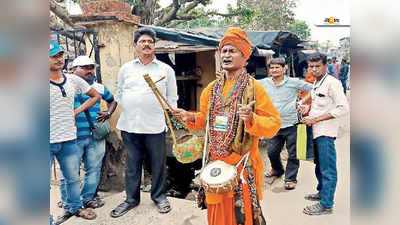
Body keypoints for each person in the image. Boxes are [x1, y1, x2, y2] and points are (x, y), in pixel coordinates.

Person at [173, 27, 281, 225]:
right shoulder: (211, 90)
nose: (226, 55)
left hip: (242, 164)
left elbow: (274, 124)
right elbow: (205, 120)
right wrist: (187, 116)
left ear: (244, 57)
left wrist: (251, 119)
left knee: (243, 215)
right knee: (217, 215)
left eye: (232, 51)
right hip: (215, 162)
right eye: (224, 51)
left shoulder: (254, 89)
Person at [110, 27, 178, 217]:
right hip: (130, 125)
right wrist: (132, 104)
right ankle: (131, 199)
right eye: (143, 41)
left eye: (150, 41)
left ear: (154, 46)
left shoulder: (166, 70)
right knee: (132, 165)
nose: (147, 44)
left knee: (157, 164)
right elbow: (120, 92)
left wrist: (171, 112)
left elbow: (172, 97)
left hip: (155, 125)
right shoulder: (126, 68)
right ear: (136, 46)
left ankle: (159, 196)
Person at [49, 41, 100, 224]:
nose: (59, 59)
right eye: (54, 56)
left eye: (60, 55)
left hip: (70, 138)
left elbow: (95, 96)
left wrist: (76, 112)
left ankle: (74, 206)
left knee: (72, 178)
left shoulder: (72, 79)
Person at [58, 55, 117, 210]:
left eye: (91, 67)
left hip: (95, 137)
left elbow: (112, 100)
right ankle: (68, 201)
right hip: (71, 137)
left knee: (93, 170)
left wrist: (108, 113)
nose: (89, 70)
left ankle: (87, 198)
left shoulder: (100, 88)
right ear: (73, 69)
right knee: (69, 172)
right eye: (84, 67)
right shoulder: (64, 86)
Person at [299, 52, 349, 215]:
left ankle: (326, 204)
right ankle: (322, 193)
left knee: (328, 169)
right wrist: (307, 107)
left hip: (325, 132)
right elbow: (318, 100)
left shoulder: (332, 83)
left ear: (325, 66)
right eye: (311, 66)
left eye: (317, 66)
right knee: (319, 166)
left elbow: (343, 108)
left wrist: (316, 119)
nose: (313, 69)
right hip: (315, 130)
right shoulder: (317, 82)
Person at [259, 57, 312, 190]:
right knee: (271, 151)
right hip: (273, 124)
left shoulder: (293, 82)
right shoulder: (264, 83)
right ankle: (277, 169)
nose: (274, 70)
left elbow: (314, 89)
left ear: (284, 68)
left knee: (293, 153)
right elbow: (248, 85)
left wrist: (302, 102)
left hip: (291, 123)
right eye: (272, 67)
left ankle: (290, 178)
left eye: (277, 67)